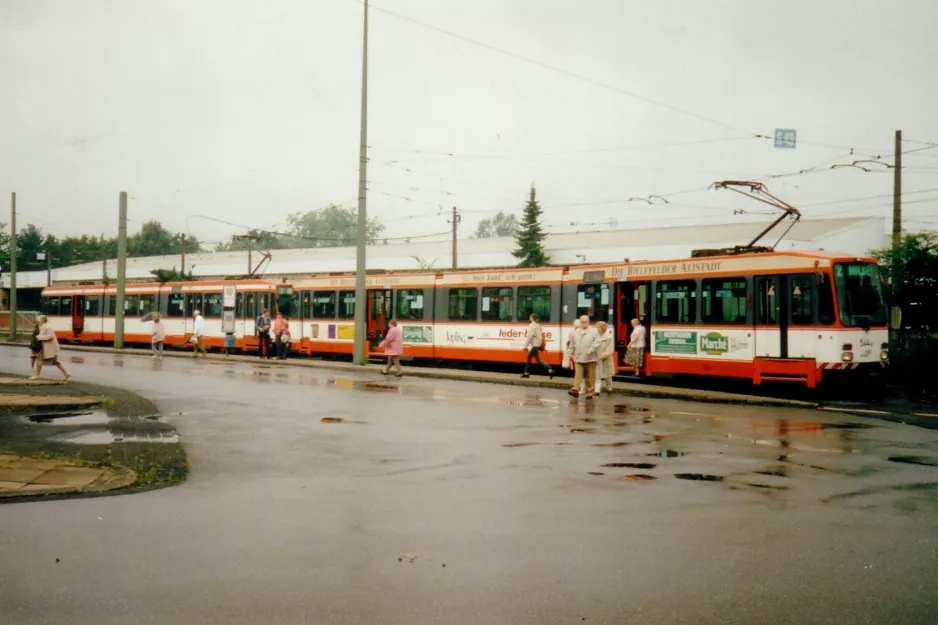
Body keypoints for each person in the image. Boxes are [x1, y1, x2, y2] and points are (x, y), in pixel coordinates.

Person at [565, 315, 600, 399]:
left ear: (588, 322)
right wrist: (569, 354)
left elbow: (597, 342)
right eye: (582, 322)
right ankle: (575, 390)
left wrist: (591, 349)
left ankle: (590, 392)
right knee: (578, 374)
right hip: (578, 357)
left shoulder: (594, 332)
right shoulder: (575, 333)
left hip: (591, 358)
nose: (583, 324)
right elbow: (572, 345)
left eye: (585, 322)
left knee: (590, 376)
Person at [31, 315, 70, 381]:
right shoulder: (43, 326)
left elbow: (50, 336)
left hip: (49, 347)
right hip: (46, 347)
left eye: (39, 319)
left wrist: (39, 337)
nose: (37, 320)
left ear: (42, 320)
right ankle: (66, 373)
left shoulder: (47, 327)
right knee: (41, 360)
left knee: (46, 360)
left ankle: (37, 375)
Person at [520, 313, 552, 379]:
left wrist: (526, 346)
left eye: (530, 317)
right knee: (529, 357)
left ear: (532, 318)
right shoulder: (538, 325)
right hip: (537, 344)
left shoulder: (532, 325)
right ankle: (526, 373)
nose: (529, 318)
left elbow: (530, 336)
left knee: (538, 361)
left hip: (535, 345)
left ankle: (550, 369)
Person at [595, 321, 615, 394]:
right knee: (597, 375)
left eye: (597, 327)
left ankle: (609, 388)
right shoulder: (595, 338)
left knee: (607, 376)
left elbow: (610, 349)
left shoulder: (608, 338)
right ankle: (597, 390)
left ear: (602, 328)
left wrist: (603, 355)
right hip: (597, 359)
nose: (596, 329)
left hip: (606, 359)